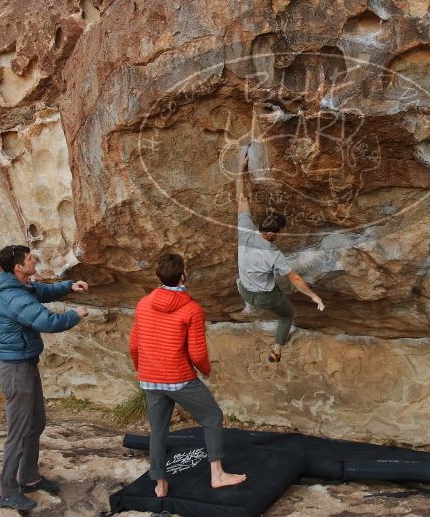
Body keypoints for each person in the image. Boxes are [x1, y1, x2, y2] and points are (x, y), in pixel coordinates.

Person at [129, 253, 246, 497]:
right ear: (183, 275)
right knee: (212, 416)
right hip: (178, 378)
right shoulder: (191, 308)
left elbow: (134, 345)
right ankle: (218, 474)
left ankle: (160, 484)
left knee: (158, 430)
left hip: (150, 378)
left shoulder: (143, 303)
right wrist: (206, 371)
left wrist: (142, 369)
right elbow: (197, 352)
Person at [0, 244, 90, 511]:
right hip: (16, 370)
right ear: (19, 266)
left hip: (25, 365)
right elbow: (46, 321)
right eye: (30, 258)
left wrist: (69, 286)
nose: (35, 259)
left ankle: (30, 478)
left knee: (36, 423)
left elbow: (42, 291)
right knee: (19, 433)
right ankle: (8, 492)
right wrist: (74, 315)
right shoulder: (14, 297)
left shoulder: (22, 286)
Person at [236, 146, 325, 362]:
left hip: (243, 289)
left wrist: (241, 166)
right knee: (287, 315)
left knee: (243, 280)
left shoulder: (245, 230)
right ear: (275, 234)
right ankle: (276, 351)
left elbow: (241, 196)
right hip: (265, 297)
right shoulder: (274, 255)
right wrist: (314, 296)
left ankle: (250, 306)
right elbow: (294, 278)